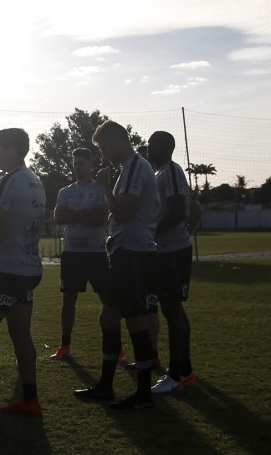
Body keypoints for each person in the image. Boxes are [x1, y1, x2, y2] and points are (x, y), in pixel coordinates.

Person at [74, 120, 161, 410]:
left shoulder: (136, 166)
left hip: (134, 252)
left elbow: (123, 211)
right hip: (126, 251)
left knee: (133, 318)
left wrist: (105, 188)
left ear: (116, 140)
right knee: (110, 318)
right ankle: (106, 386)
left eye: (104, 146)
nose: (104, 154)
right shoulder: (130, 168)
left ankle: (142, 394)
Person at [0, 128, 45, 416]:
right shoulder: (36, 180)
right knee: (20, 333)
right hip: (30, 266)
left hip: (9, 269)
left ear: (12, 149)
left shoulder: (7, 180)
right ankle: (30, 398)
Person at [147, 131, 198, 394]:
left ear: (168, 147)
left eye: (154, 142)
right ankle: (185, 370)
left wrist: (151, 232)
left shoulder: (172, 171)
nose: (148, 145)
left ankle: (176, 373)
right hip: (166, 251)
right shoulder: (159, 174)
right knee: (172, 308)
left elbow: (179, 210)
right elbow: (195, 209)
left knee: (172, 308)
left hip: (172, 252)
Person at [50, 148, 109, 360]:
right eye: (75, 163)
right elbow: (59, 217)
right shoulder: (65, 191)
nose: (77, 167)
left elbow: (99, 219)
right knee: (68, 300)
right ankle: (65, 345)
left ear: (90, 165)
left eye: (81, 163)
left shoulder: (99, 190)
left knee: (107, 300)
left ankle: (115, 347)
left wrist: (74, 214)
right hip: (72, 253)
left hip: (96, 252)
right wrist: (86, 212)